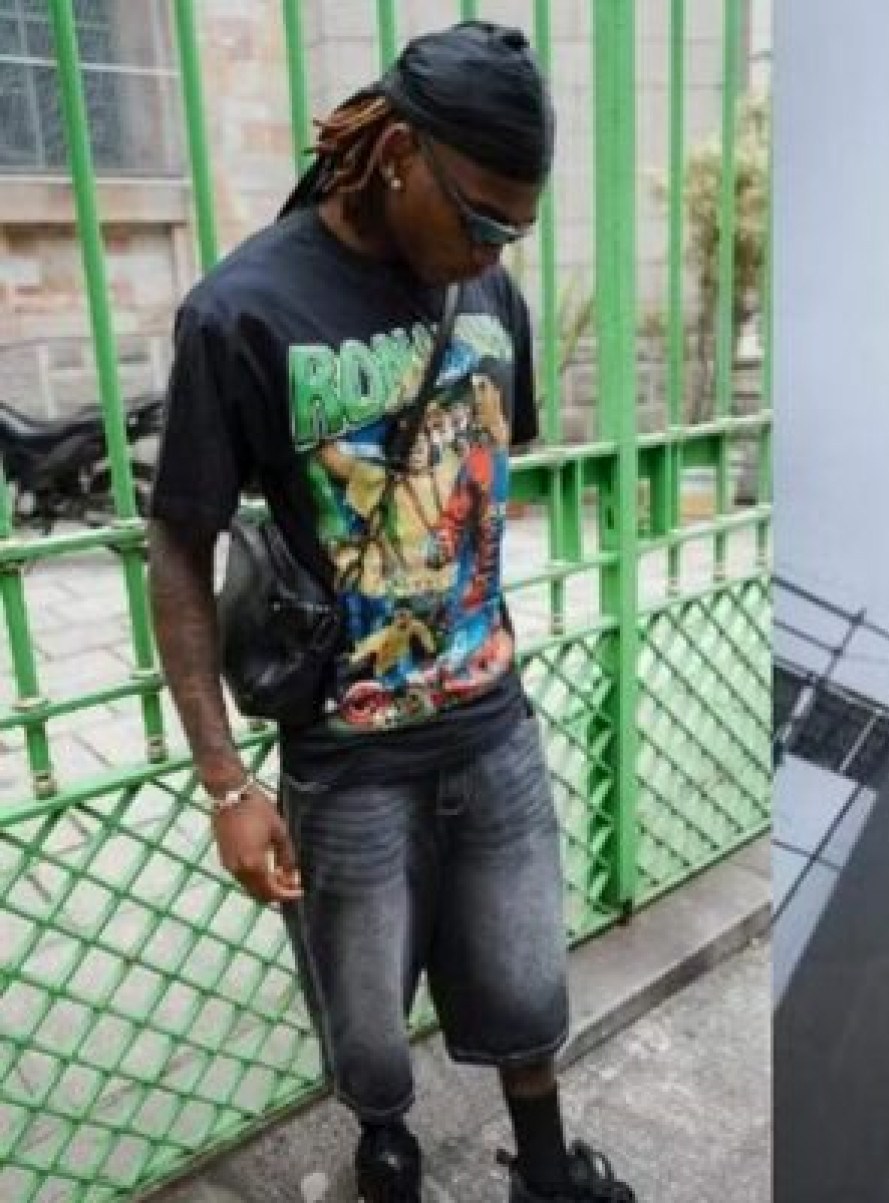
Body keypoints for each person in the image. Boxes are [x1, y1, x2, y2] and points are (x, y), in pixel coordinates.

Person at [146, 21, 635, 1203]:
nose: (492, 245)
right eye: (478, 216)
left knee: (527, 988)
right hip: (345, 757)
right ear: (401, 154)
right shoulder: (241, 312)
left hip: (492, 729)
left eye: (515, 226)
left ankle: (548, 1169)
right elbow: (178, 549)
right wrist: (226, 783)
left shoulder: (489, 293)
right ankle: (387, 1158)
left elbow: (482, 487)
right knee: (364, 1022)